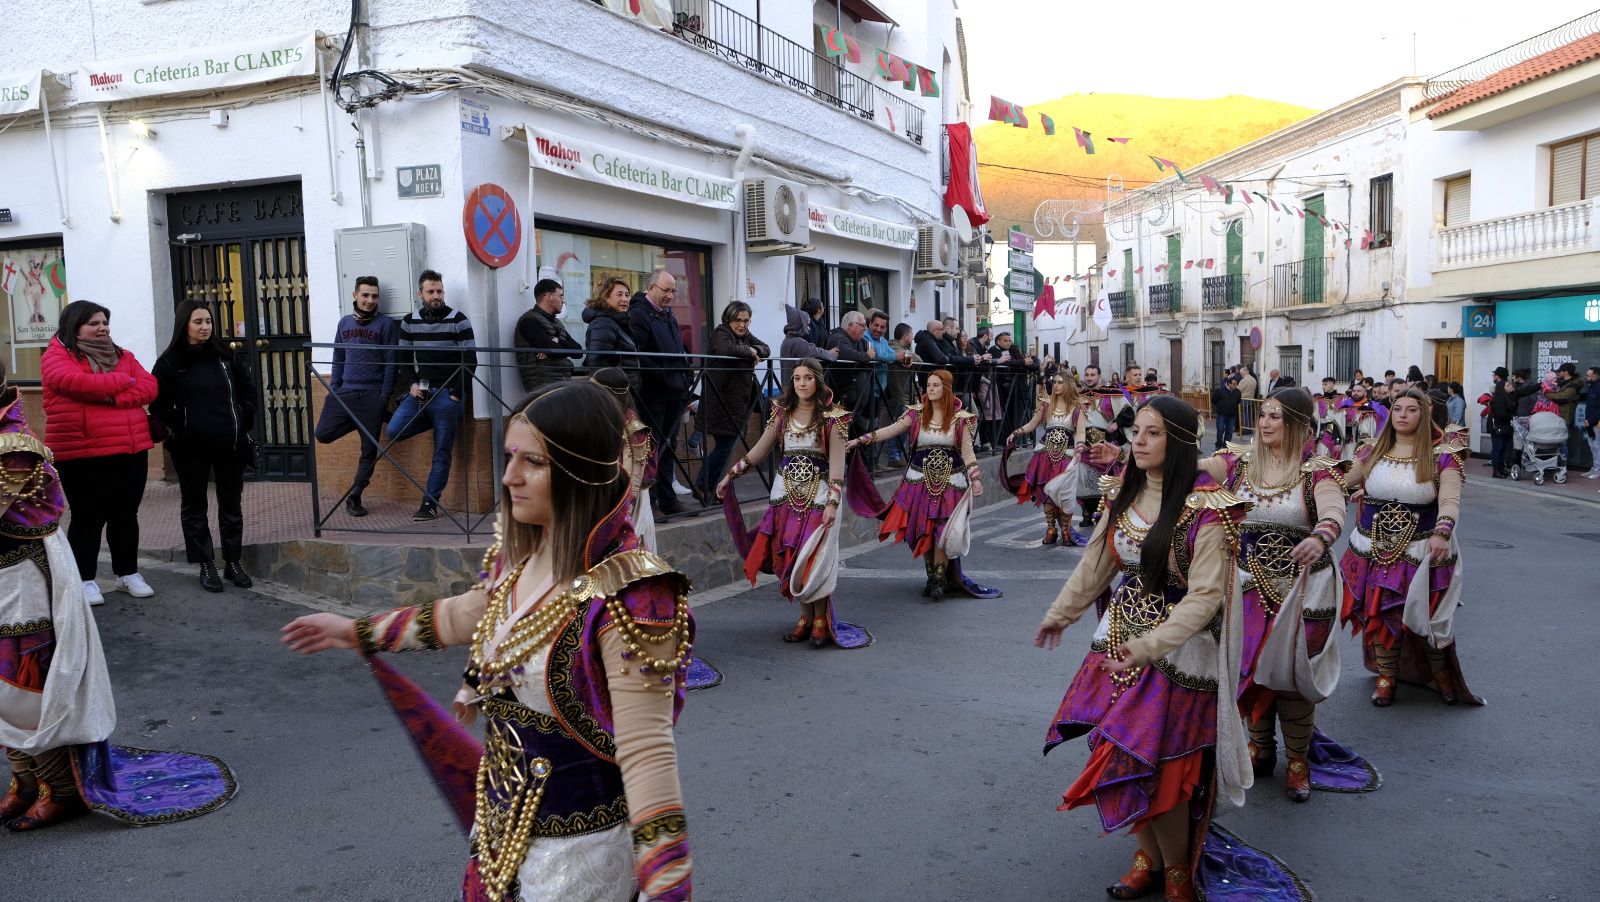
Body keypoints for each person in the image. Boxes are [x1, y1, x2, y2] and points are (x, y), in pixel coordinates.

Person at [282, 382, 695, 901]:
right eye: (509, 457)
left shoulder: (635, 599)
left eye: (534, 462)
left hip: (580, 860)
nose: (509, 477)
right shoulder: (524, 557)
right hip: (499, 839)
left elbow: (648, 754)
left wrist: (669, 891)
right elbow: (465, 615)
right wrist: (357, 632)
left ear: (581, 470)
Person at [1036, 396, 1265, 902]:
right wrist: (1061, 613)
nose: (1136, 442)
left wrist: (1150, 646)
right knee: (1119, 755)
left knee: (1165, 769)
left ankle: (1177, 872)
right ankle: (1147, 858)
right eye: (1135, 432)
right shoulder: (1124, 494)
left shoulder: (1209, 510)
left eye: (1151, 434)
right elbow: (1097, 565)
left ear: (1179, 442)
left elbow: (1205, 597)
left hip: (1179, 656)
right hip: (1117, 645)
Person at [1, 365, 239, 831]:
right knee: (3, 681)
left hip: (25, 582)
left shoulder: (14, 449)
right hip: (6, 577)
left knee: (27, 680)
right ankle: (24, 780)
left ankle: (61, 788)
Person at [1202, 388, 1362, 804]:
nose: (1266, 422)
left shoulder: (1317, 472)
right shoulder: (1237, 464)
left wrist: (1322, 536)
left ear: (1296, 423)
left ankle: (1297, 762)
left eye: (1276, 416)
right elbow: (1188, 468)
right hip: (1248, 587)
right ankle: (1261, 748)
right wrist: (1132, 458)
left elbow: (1333, 509)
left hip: (1303, 590)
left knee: (1292, 677)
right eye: (1264, 414)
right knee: (1250, 669)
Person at [1340, 388, 1480, 707]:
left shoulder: (1443, 455)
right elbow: (1337, 481)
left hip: (1423, 550)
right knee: (1381, 614)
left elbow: (1449, 501)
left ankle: (1440, 673)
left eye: (1411, 409)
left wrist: (1442, 533)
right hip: (1375, 549)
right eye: (1397, 408)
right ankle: (1386, 676)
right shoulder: (1371, 451)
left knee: (1429, 619)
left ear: (1424, 415)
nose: (1402, 414)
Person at [717, 359, 865, 648]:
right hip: (786, 496)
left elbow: (837, 465)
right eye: (797, 378)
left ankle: (820, 620)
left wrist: (833, 503)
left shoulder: (834, 419)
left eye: (808, 378)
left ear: (818, 382)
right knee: (793, 556)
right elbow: (760, 448)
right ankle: (805, 618)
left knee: (815, 559)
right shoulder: (781, 414)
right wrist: (730, 475)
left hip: (820, 497)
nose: (801, 383)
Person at [40, 300, 159, 604]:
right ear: (75, 325)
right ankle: (84, 579)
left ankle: (127, 573)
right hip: (84, 451)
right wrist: (121, 381)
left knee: (125, 513)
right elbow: (74, 382)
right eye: (94, 323)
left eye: (105, 322)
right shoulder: (56, 355)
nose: (103, 328)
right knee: (88, 516)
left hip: (130, 447)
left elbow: (149, 387)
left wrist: (111, 397)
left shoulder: (123, 355)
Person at [846, 369, 1000, 600]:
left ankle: (939, 578)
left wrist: (975, 478)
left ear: (946, 389)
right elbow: (891, 429)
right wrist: (862, 439)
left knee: (942, 531)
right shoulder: (916, 414)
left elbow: (967, 452)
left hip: (951, 483)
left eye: (936, 385)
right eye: (928, 385)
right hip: (918, 482)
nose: (930, 389)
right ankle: (932, 576)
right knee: (923, 531)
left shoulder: (961, 419)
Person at [151, 300, 258, 593]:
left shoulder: (225, 356)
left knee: (231, 504)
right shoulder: (171, 361)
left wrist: (243, 413)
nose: (205, 327)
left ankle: (233, 562)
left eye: (208, 321)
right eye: (198, 322)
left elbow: (249, 390)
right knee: (195, 505)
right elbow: (157, 404)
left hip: (230, 442)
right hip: (191, 447)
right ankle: (206, 564)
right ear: (184, 324)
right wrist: (184, 423)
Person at [391, 270, 477, 522]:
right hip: (422, 392)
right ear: (421, 294)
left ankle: (430, 503)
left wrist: (456, 394)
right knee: (394, 431)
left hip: (448, 395)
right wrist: (412, 384)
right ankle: (436, 420)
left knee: (442, 451)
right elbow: (404, 360)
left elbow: (470, 360)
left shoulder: (458, 320)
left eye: (439, 291)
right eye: (430, 291)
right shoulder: (409, 321)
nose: (436, 295)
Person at [314, 275, 399, 518]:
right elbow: (338, 358)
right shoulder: (343, 324)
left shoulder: (385, 325)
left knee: (368, 451)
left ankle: (355, 496)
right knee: (322, 434)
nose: (370, 300)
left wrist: (383, 397)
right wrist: (335, 389)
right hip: (345, 393)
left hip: (372, 395)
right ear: (355, 295)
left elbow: (391, 363)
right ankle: (365, 420)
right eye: (365, 295)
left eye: (374, 296)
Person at [630, 269, 694, 519]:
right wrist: (663, 374)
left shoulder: (668, 315)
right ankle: (651, 503)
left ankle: (668, 499)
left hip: (675, 392)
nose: (670, 295)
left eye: (673, 291)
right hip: (654, 392)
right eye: (666, 290)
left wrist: (686, 378)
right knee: (652, 447)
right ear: (651, 288)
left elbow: (680, 349)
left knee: (669, 445)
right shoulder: (639, 314)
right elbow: (640, 353)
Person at [696, 301, 768, 504]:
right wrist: (751, 352)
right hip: (720, 401)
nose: (742, 325)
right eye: (738, 320)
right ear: (729, 319)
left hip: (736, 402)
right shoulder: (721, 333)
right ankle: (703, 485)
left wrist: (753, 349)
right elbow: (726, 349)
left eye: (746, 321)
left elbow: (766, 348)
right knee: (725, 446)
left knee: (726, 446)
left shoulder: (744, 336)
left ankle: (712, 488)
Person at [1010, 371, 1083, 546]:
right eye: (1054, 382)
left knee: (1065, 496)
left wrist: (1080, 448)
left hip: (1067, 456)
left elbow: (1080, 433)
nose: (1056, 385)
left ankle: (1066, 529)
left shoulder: (1077, 408)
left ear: (1068, 385)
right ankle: (1051, 529)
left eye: (1060, 382)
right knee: (1048, 494)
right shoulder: (1045, 405)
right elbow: (1032, 424)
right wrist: (1017, 432)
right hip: (1045, 456)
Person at [1075, 365, 1133, 529]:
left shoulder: (1111, 393)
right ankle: (1087, 513)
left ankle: (1107, 512)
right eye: (1086, 375)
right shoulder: (1080, 397)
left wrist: (1117, 422)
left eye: (1093, 374)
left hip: (1106, 443)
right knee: (1085, 482)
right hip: (1086, 445)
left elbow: (1128, 411)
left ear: (1099, 376)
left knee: (1107, 480)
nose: (1089, 377)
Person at [514, 278, 582, 391]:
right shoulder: (528, 321)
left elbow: (578, 351)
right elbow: (553, 351)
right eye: (560, 296)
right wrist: (555, 347)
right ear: (548, 297)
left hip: (562, 382)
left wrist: (557, 341)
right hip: (542, 385)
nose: (563, 301)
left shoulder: (558, 323)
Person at [582, 277, 641, 398]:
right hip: (615, 394)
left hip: (625, 391)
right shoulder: (602, 324)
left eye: (627, 295)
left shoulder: (618, 322)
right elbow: (598, 365)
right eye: (619, 295)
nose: (624, 299)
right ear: (605, 297)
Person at [1486, 367, 1537, 478]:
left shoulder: (1513, 395)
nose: (1511, 386)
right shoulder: (1499, 399)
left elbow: (1527, 391)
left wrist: (1541, 385)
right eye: (1508, 386)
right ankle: (1496, 471)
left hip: (1507, 426)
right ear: (1503, 389)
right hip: (1497, 426)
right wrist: (1513, 417)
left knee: (1505, 448)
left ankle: (1502, 468)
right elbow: (1500, 414)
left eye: (1510, 385)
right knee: (1498, 448)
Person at [826, 310, 873, 416]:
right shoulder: (837, 338)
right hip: (842, 398)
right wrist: (867, 356)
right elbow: (846, 353)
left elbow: (873, 352)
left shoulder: (859, 341)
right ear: (850, 325)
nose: (865, 329)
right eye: (862, 325)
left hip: (856, 398)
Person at [1544, 362, 1588, 472]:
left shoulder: (1573, 386)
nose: (1559, 373)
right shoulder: (1565, 383)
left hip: (1564, 417)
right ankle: (1552, 464)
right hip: (1557, 416)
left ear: (1566, 372)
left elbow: (1562, 397)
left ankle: (1562, 466)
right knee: (1553, 442)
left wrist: (1546, 394)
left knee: (1562, 442)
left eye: (1560, 371)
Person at [779, 304, 838, 385]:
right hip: (796, 387)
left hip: (790, 385)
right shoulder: (797, 342)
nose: (809, 328)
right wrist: (830, 354)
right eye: (807, 325)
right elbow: (815, 352)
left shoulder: (787, 341)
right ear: (799, 325)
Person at [1211, 374, 1241, 450]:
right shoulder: (1220, 391)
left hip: (1232, 415)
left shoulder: (1238, 392)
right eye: (1233, 384)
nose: (1235, 385)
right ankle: (1218, 445)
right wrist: (1220, 407)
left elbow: (1238, 401)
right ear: (1228, 384)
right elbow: (1213, 400)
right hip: (1221, 414)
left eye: (1236, 384)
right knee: (1220, 430)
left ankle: (1226, 446)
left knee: (1230, 432)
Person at [1584, 367, 1600, 479]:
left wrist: (1594, 421)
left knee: (1597, 446)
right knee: (1592, 446)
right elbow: (1590, 406)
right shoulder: (1591, 387)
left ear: (1596, 376)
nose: (1587, 377)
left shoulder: (1598, 388)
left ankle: (1598, 470)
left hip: (1597, 422)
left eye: (1589, 375)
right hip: (1589, 421)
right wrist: (1586, 420)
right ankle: (1594, 468)